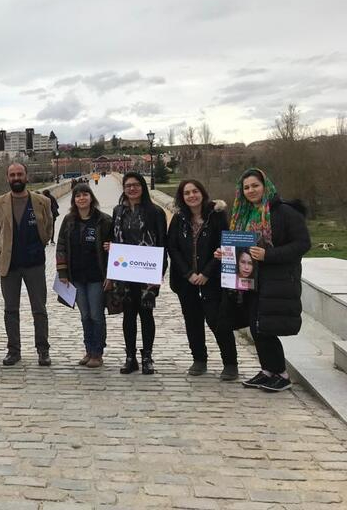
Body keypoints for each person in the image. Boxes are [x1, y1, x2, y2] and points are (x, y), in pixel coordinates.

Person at [217, 168, 310, 392]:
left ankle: (282, 374)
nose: (251, 190)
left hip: (276, 279)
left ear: (265, 186)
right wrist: (226, 253)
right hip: (250, 280)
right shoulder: (244, 214)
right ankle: (268, 370)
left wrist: (269, 255)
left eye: (255, 186)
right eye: (246, 187)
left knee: (265, 328)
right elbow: (240, 247)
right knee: (256, 327)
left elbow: (302, 244)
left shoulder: (285, 212)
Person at [167, 179, 238, 380]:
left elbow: (225, 245)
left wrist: (206, 273)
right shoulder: (179, 217)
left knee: (218, 321)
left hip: (212, 279)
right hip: (186, 281)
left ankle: (230, 363)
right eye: (186, 193)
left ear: (202, 192)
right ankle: (199, 359)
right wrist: (189, 273)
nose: (191, 196)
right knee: (193, 321)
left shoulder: (217, 216)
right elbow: (173, 247)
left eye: (195, 191)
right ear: (182, 197)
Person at [0, 162, 53, 367]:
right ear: (7, 178)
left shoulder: (42, 201)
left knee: (39, 309)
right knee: (10, 310)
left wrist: (37, 246)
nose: (16, 178)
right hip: (9, 265)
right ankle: (13, 351)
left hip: (35, 263)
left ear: (27, 176)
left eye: (19, 174)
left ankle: (43, 351)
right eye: (12, 175)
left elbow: (48, 229)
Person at [109, 171, 167, 375]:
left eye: (135, 185)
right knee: (128, 315)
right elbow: (114, 239)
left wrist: (160, 271)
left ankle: (147, 357)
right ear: (124, 189)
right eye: (128, 186)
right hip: (124, 271)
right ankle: (130, 356)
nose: (131, 189)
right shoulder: (118, 211)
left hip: (146, 271)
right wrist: (110, 247)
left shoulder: (155, 212)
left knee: (146, 313)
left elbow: (161, 243)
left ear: (142, 187)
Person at [56, 183, 112, 368]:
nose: (81, 198)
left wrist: (110, 275)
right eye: (78, 196)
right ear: (74, 200)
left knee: (96, 315)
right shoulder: (69, 220)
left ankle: (97, 352)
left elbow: (115, 248)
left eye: (85, 195)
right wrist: (62, 271)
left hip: (97, 275)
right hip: (76, 276)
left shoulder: (104, 220)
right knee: (85, 315)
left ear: (91, 197)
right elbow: (61, 246)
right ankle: (89, 349)